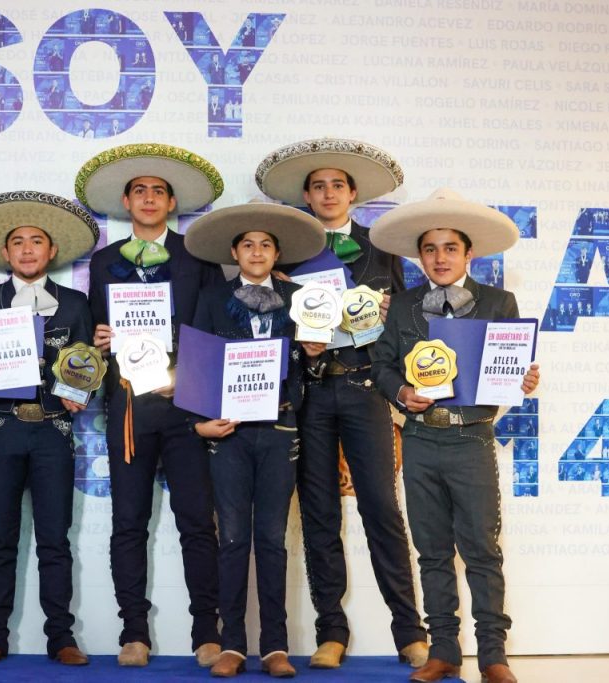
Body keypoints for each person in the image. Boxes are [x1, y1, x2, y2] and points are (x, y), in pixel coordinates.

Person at [255, 137, 427, 669]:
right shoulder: (290, 248)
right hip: (309, 392)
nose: (328, 193)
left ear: (353, 194)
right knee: (319, 512)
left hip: (365, 388)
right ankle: (331, 630)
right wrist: (288, 315)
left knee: (382, 508)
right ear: (306, 197)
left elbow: (402, 324)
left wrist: (390, 314)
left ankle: (410, 631)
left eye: (337, 185)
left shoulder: (382, 247)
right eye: (318, 186)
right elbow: (267, 327)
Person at [369, 188, 540, 683]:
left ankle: (493, 656)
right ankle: (443, 650)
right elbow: (381, 366)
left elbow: (510, 365)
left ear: (470, 254)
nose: (440, 258)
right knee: (432, 551)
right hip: (420, 439)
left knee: (482, 551)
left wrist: (522, 379)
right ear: (419, 256)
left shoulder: (499, 302)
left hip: (472, 439)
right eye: (430, 249)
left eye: (450, 248)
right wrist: (402, 391)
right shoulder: (402, 305)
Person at [75, 143, 224, 667]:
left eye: (158, 191)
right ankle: (133, 633)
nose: (149, 198)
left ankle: (207, 633)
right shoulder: (104, 261)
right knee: (128, 522)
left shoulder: (197, 256)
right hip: (129, 406)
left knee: (197, 522)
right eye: (139, 190)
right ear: (126, 201)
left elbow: (213, 328)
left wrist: (187, 379)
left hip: (186, 404)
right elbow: (97, 332)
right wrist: (99, 340)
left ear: (171, 202)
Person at [0, 190, 98, 667]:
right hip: (2, 428)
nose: (28, 249)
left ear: (52, 251)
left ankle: (61, 637)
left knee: (55, 539)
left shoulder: (75, 303)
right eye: (18, 242)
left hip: (55, 429)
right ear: (5, 252)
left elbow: (86, 366)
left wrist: (81, 392)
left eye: (37, 241)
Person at [182, 203, 326, 677]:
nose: (257, 252)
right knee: (232, 539)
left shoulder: (301, 298)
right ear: (234, 253)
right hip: (230, 433)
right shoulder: (211, 298)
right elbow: (196, 363)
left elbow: (316, 369)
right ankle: (231, 645)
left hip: (281, 428)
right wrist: (199, 422)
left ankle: (275, 647)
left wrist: (314, 354)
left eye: (266, 245)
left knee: (271, 539)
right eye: (248, 245)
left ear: (277, 254)